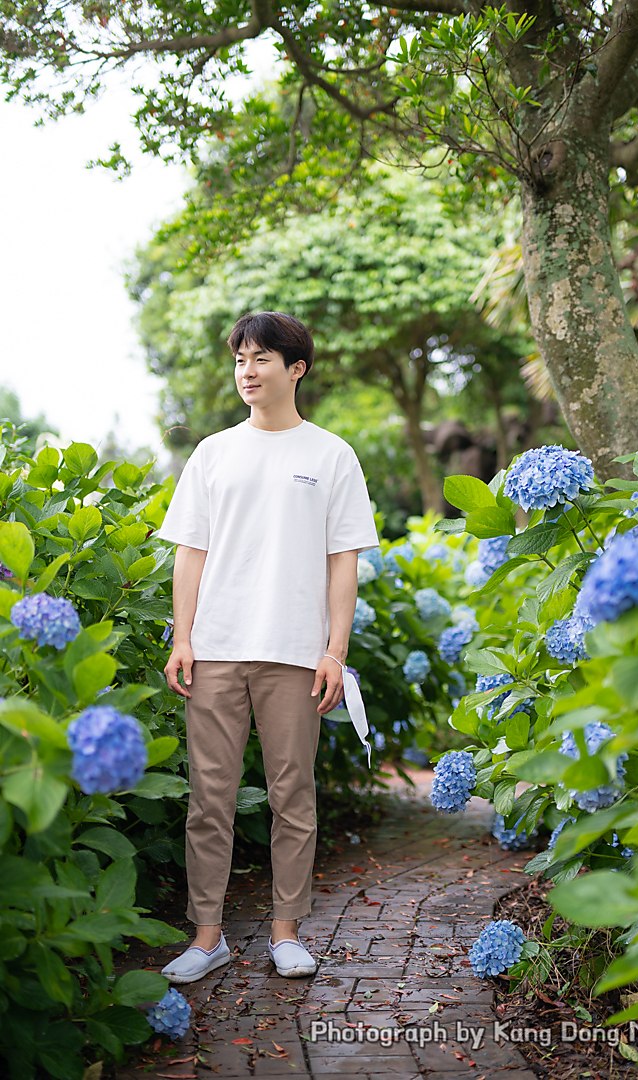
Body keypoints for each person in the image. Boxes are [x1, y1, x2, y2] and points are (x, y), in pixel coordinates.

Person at [156, 311, 378, 982]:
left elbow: (345, 561)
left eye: (260, 360)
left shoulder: (331, 454)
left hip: (295, 653)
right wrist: (183, 637)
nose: (246, 372)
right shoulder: (214, 453)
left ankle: (286, 932)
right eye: (239, 360)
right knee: (210, 798)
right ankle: (207, 937)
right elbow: (189, 554)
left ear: (296, 369)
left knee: (293, 794)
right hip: (216, 648)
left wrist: (334, 650)